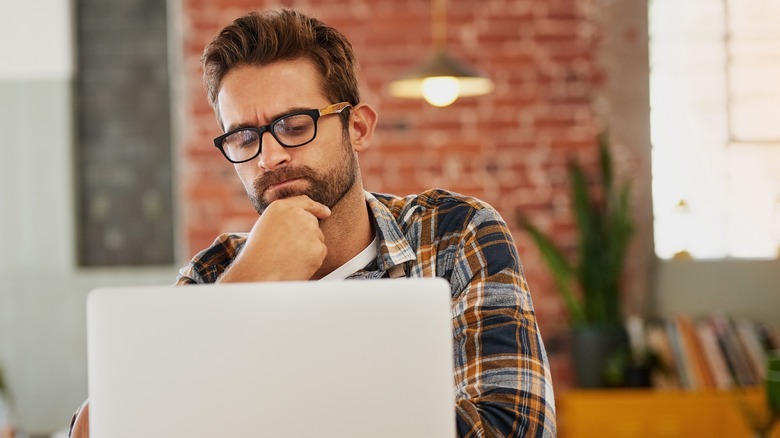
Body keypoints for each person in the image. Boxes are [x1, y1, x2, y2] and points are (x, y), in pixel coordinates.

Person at [71, 9, 556, 437]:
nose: (271, 157)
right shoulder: (214, 274)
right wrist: (245, 288)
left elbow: (513, 427)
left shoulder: (455, 234)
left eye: (294, 125)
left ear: (358, 128)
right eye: (244, 136)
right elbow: (98, 429)